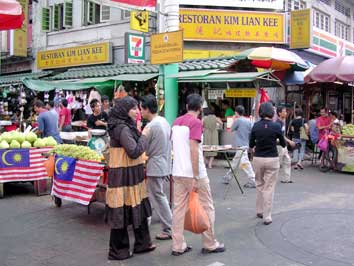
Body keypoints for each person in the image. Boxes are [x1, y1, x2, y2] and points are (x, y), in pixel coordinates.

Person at [171, 93, 225, 256]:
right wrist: (195, 175)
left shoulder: (175, 122)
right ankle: (209, 243)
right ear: (200, 108)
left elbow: (174, 146)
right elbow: (194, 149)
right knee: (207, 206)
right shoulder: (195, 123)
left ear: (187, 106)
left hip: (177, 171)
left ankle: (177, 245)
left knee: (178, 209)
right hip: (195, 174)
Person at [106, 96, 156, 260]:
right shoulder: (122, 128)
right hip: (124, 176)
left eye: (137, 108)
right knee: (122, 211)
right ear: (124, 111)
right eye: (134, 108)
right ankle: (118, 250)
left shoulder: (126, 126)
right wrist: (144, 136)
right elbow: (134, 151)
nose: (137, 111)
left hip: (131, 175)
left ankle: (143, 244)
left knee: (137, 207)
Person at [140, 94, 173, 241]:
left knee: (158, 196)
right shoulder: (164, 121)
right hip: (165, 162)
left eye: (141, 108)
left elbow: (141, 147)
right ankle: (166, 224)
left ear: (147, 109)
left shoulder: (150, 126)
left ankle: (168, 228)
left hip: (155, 164)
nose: (140, 111)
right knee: (158, 195)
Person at [250, 102, 285, 225]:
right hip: (272, 159)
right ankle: (267, 216)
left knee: (259, 184)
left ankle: (259, 211)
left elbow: (251, 144)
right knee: (269, 187)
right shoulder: (276, 126)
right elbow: (283, 143)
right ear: (272, 112)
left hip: (258, 158)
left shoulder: (255, 126)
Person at [222, 105, 256, 188]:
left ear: (236, 113)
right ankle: (228, 177)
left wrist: (233, 119)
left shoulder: (237, 120)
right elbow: (252, 133)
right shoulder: (249, 121)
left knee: (244, 163)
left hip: (240, 145)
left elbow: (229, 130)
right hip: (246, 144)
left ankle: (252, 179)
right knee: (235, 162)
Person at [275, 107, 292, 184]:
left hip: (283, 145)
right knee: (277, 163)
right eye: (284, 111)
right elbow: (280, 135)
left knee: (287, 160)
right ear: (279, 113)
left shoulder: (282, 122)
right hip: (279, 146)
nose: (286, 113)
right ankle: (272, 179)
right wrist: (289, 141)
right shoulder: (278, 123)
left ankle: (286, 179)